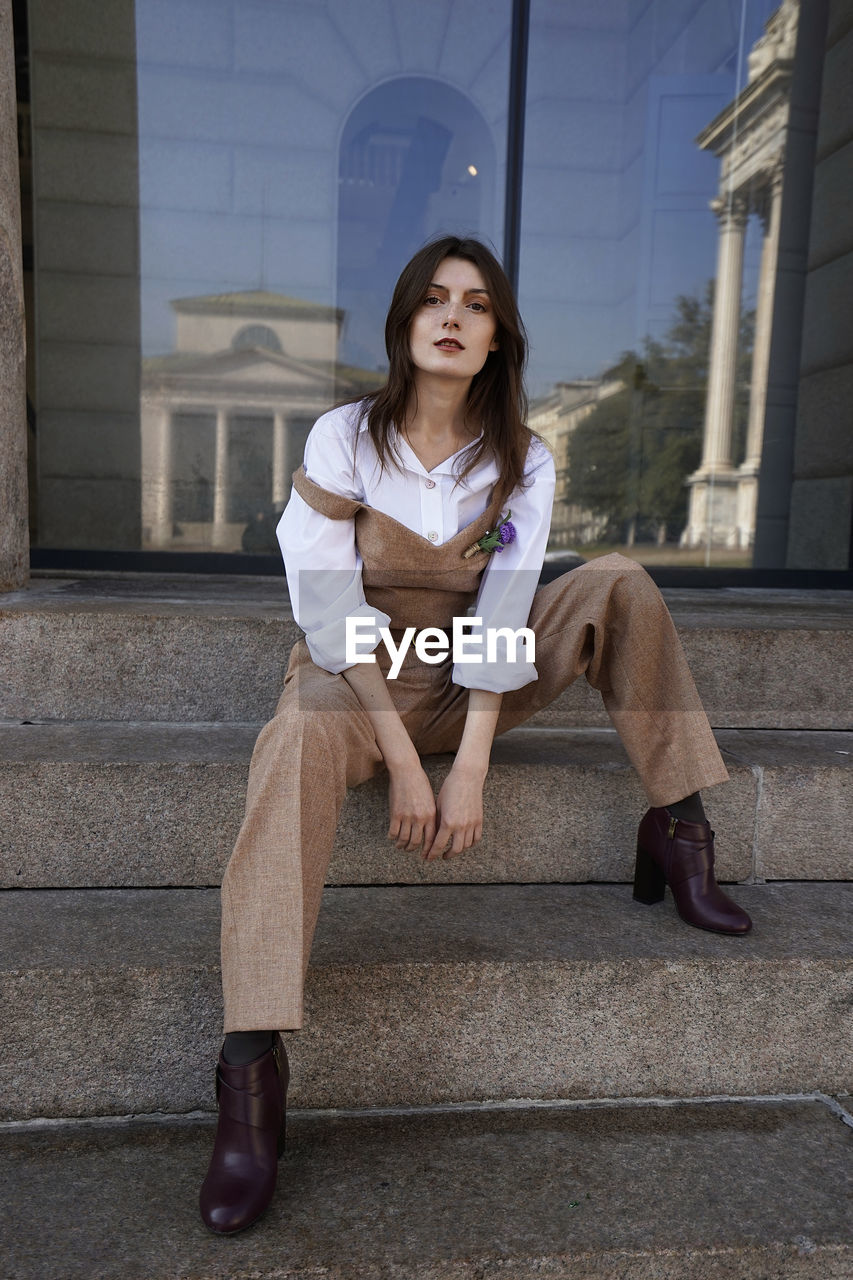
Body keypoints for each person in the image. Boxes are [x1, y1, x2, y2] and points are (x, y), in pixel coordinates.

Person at [199, 235, 751, 1235]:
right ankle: (249, 1066)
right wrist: (409, 764)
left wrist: (475, 763)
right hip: (357, 678)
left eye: (477, 305)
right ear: (406, 323)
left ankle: (678, 825)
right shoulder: (341, 441)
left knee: (618, 581)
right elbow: (326, 611)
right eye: (434, 300)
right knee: (289, 742)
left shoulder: (523, 458)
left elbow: (505, 603)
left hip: (472, 671)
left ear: (498, 338)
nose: (453, 316)